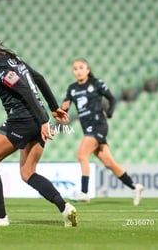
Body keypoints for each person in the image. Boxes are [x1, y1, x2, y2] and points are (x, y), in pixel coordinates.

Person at [0, 29, 77, 227]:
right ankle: (65, 208)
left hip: (23, 119)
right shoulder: (12, 58)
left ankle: (0, 218)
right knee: (28, 173)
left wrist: (45, 120)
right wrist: (53, 108)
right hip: (35, 118)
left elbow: (24, 88)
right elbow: (39, 78)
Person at [61, 58, 144, 205]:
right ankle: (135, 187)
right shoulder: (72, 88)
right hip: (87, 127)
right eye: (75, 68)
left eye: (81, 67)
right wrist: (64, 108)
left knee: (81, 155)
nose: (78, 70)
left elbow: (112, 99)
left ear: (88, 69)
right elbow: (66, 105)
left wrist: (110, 113)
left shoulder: (96, 83)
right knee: (109, 163)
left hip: (98, 124)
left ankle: (84, 193)